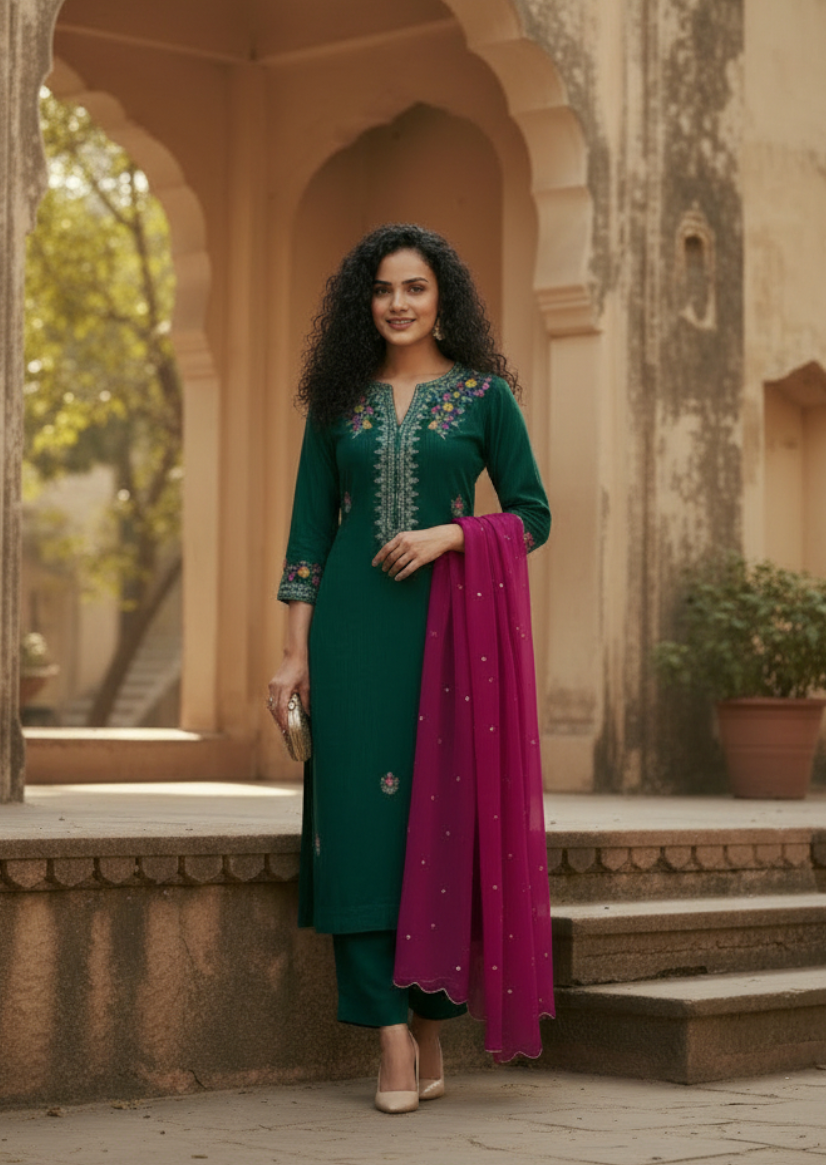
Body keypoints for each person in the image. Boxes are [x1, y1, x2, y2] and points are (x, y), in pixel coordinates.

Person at [268, 223, 551, 1113]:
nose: (397, 303)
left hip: (447, 638)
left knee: (439, 825)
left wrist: (452, 534)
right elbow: (310, 533)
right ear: (367, 302)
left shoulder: (482, 398)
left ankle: (431, 1021)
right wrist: (292, 652)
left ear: (442, 299)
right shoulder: (337, 402)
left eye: (415, 288)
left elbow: (533, 514)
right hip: (350, 634)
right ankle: (389, 1034)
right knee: (354, 827)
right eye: (383, 289)